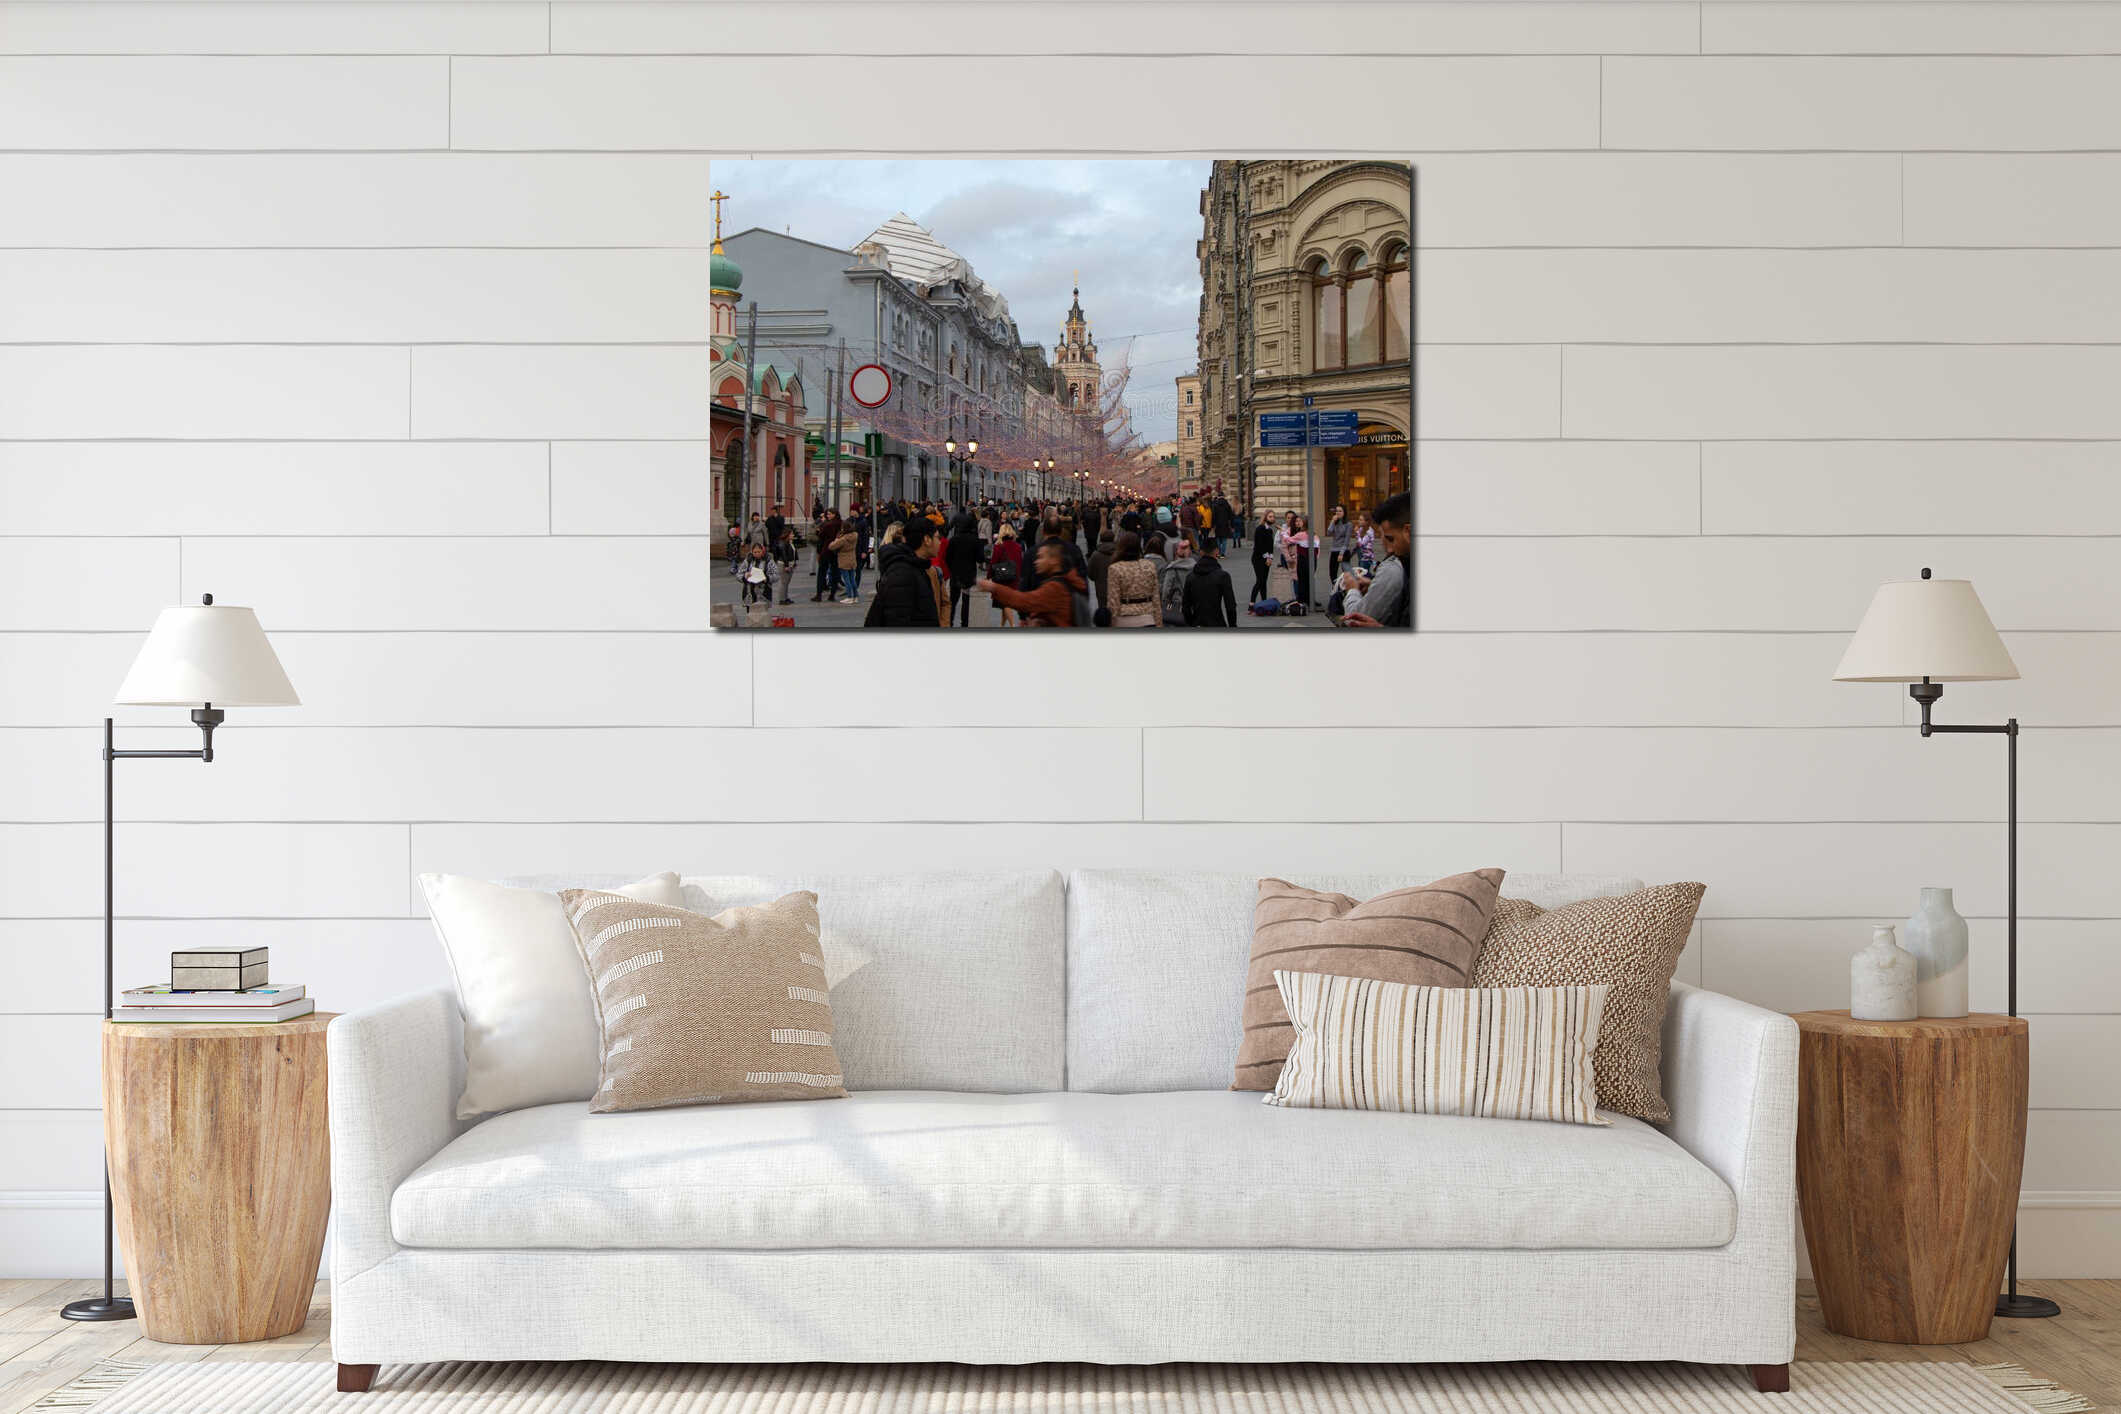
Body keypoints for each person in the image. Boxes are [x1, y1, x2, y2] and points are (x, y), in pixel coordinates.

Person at [1342, 491, 1410, 629]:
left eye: (1391, 538)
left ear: (1408, 531)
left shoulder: (1393, 567)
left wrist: (1352, 590)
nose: (1391, 550)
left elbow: (1356, 618)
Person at [978, 540, 1086, 627]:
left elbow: (1024, 601)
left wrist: (994, 587)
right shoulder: (1061, 581)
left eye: (1041, 557)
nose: (1036, 561)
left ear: (1054, 560)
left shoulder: (1055, 587)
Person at [864, 520, 943, 628]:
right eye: (937, 537)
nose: (940, 542)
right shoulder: (902, 573)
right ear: (927, 540)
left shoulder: (917, 567)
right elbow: (897, 620)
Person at [1106, 532, 1161, 627]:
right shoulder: (1149, 566)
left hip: (1124, 619)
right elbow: (1156, 598)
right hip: (1148, 617)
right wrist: (1159, 623)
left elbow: (1113, 601)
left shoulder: (1115, 569)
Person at [1183, 539, 1238, 627]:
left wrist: (1191, 623)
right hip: (1217, 623)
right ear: (1217, 551)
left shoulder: (1190, 577)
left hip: (1197, 623)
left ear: (1201, 552)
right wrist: (1233, 625)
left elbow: (1186, 607)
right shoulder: (1223, 576)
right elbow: (1230, 606)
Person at [944, 513, 985, 627]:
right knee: (966, 600)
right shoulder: (974, 540)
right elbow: (980, 558)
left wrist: (952, 568)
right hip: (969, 574)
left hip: (955, 573)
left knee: (953, 600)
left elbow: (947, 557)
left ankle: (950, 621)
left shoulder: (953, 540)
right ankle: (964, 624)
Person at [987, 524, 1025, 627]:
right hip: (1014, 577)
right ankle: (1002, 625)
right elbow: (1020, 562)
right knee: (1005, 603)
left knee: (1005, 603)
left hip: (1002, 577)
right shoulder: (1017, 546)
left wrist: (989, 575)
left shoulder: (998, 546)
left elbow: (993, 562)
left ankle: (1012, 625)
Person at [1159, 533, 1192, 626]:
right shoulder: (1195, 566)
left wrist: (1164, 602)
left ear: (1176, 552)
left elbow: (1166, 589)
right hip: (1192, 604)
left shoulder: (1172, 568)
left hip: (1176, 604)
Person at [811, 508, 842, 602]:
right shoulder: (841, 523)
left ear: (834, 514)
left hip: (826, 550)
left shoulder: (827, 525)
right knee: (835, 572)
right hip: (836, 550)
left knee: (822, 573)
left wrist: (818, 531)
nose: (828, 516)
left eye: (829, 514)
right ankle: (832, 594)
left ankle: (819, 594)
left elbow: (820, 536)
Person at [1086, 531, 1118, 615]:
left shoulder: (1095, 555)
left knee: (1104, 614)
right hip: (1117, 589)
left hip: (1101, 589)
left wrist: (1097, 578)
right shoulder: (1118, 553)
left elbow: (1090, 574)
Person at [830, 522, 861, 604]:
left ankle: (849, 596)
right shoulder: (855, 535)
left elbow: (831, 546)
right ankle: (855, 596)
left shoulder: (843, 539)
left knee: (847, 580)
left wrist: (836, 539)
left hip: (844, 560)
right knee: (852, 579)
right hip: (852, 558)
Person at [1249, 513, 1275, 604]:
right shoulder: (1260, 529)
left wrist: (1270, 557)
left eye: (1273, 517)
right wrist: (1267, 557)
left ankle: (1264, 601)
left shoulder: (1270, 530)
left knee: (1264, 582)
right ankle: (1251, 603)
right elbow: (1259, 545)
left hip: (1267, 559)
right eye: (1270, 517)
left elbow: (1270, 546)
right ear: (1265, 517)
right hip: (1258, 558)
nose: (1272, 518)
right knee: (1260, 581)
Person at [739, 543, 773, 607]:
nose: (757, 554)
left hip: (763, 592)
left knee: (762, 613)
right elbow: (739, 574)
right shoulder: (748, 560)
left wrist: (767, 578)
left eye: (759, 552)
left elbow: (775, 575)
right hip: (749, 592)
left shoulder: (768, 560)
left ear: (762, 551)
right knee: (750, 613)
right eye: (755, 552)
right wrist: (745, 576)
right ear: (752, 552)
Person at [771, 526, 799, 605]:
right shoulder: (783, 543)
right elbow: (784, 555)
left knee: (787, 582)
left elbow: (794, 553)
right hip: (783, 564)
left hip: (790, 563)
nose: (793, 535)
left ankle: (785, 597)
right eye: (791, 534)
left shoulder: (790, 543)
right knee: (783, 582)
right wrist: (786, 565)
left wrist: (794, 562)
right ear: (787, 534)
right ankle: (782, 599)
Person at [1325, 506, 1352, 584]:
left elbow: (1347, 541)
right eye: (1337, 511)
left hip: (1344, 551)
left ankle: (1346, 589)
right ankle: (1335, 589)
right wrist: (1332, 521)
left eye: (1340, 511)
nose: (1338, 513)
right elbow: (1328, 532)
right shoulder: (1335, 522)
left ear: (1344, 513)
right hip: (1334, 550)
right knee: (1332, 574)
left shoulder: (1348, 524)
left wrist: (1341, 553)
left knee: (1346, 573)